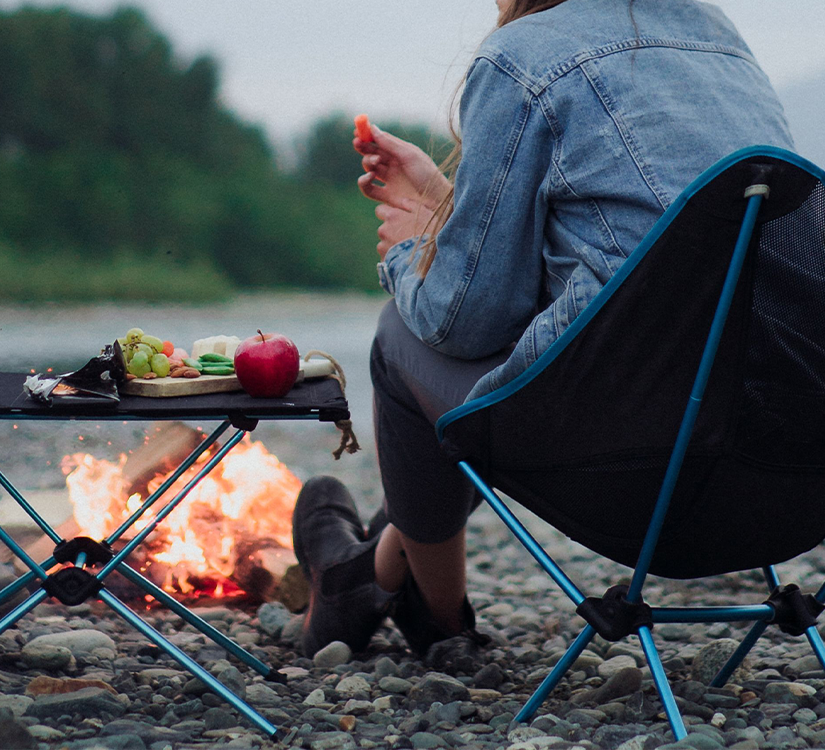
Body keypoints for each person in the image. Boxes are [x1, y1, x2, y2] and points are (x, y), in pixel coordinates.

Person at [292, 0, 794, 657]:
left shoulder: (523, 56)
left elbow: (462, 321)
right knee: (554, 343)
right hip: (774, 470)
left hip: (627, 476)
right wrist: (452, 208)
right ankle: (368, 574)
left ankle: (432, 616)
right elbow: (634, 263)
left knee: (404, 338)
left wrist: (414, 251)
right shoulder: (717, 37)